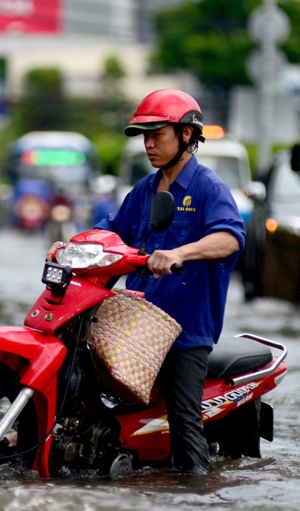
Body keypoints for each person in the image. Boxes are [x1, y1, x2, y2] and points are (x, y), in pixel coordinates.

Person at [94, 89, 246, 475]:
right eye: (144, 136)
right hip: (136, 326)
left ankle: (194, 492)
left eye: (157, 134)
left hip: (186, 333)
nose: (148, 144)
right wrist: (72, 247)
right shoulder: (145, 190)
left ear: (186, 136)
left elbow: (230, 237)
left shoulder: (209, 188)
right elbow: (109, 231)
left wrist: (182, 252)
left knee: (183, 422)